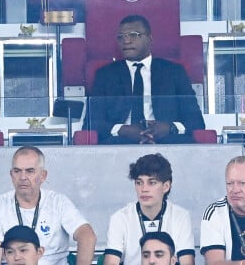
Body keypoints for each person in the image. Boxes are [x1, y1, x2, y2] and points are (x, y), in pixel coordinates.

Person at [86, 14, 205, 144]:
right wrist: (122, 130)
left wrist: (170, 127)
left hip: (167, 139)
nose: (126, 41)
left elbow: (196, 120)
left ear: (149, 38)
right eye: (121, 37)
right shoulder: (105, 75)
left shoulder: (174, 72)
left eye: (133, 35)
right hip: (121, 141)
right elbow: (91, 123)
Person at [0, 146, 96, 265]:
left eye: (30, 171)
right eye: (17, 171)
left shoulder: (58, 202)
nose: (22, 177)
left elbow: (87, 236)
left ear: (43, 175)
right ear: (11, 175)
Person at [103, 153, 194, 265]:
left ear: (166, 186)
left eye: (152, 183)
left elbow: (187, 262)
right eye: (139, 183)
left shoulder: (180, 216)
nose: (144, 189)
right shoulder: (120, 218)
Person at [200, 155, 245, 264]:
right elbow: (214, 263)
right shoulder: (214, 213)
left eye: (242, 183)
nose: (235, 190)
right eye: (230, 183)